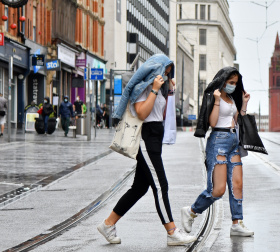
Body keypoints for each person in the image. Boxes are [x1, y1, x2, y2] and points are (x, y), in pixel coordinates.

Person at [97, 54, 196, 246]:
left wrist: (167, 92)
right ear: (155, 70)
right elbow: (142, 113)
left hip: (155, 138)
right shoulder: (142, 88)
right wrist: (154, 90)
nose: (166, 76)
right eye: (164, 72)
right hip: (146, 138)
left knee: (139, 188)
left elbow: (161, 114)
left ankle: (108, 224)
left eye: (168, 73)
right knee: (161, 185)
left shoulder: (159, 89)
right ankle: (172, 232)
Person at [181, 67, 254, 238]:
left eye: (235, 83)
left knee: (237, 185)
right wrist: (216, 100)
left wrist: (243, 104)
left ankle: (237, 223)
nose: (233, 86)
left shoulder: (231, 99)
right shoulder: (216, 96)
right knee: (218, 189)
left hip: (233, 142)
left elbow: (237, 120)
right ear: (223, 81)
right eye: (230, 83)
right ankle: (191, 211)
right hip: (219, 141)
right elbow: (213, 122)